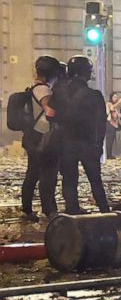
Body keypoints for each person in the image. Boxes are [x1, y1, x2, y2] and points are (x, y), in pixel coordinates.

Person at [49, 55, 110, 214]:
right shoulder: (94, 96)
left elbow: (50, 115)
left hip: (66, 142)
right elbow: (101, 123)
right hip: (88, 143)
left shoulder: (58, 93)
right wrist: (99, 145)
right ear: (87, 73)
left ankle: (72, 210)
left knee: (69, 180)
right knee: (95, 180)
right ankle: (105, 210)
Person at [20, 56, 61, 222]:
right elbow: (50, 112)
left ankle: (28, 208)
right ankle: (47, 209)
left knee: (34, 173)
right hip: (42, 137)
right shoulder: (43, 90)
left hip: (34, 136)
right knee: (46, 174)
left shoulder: (33, 87)